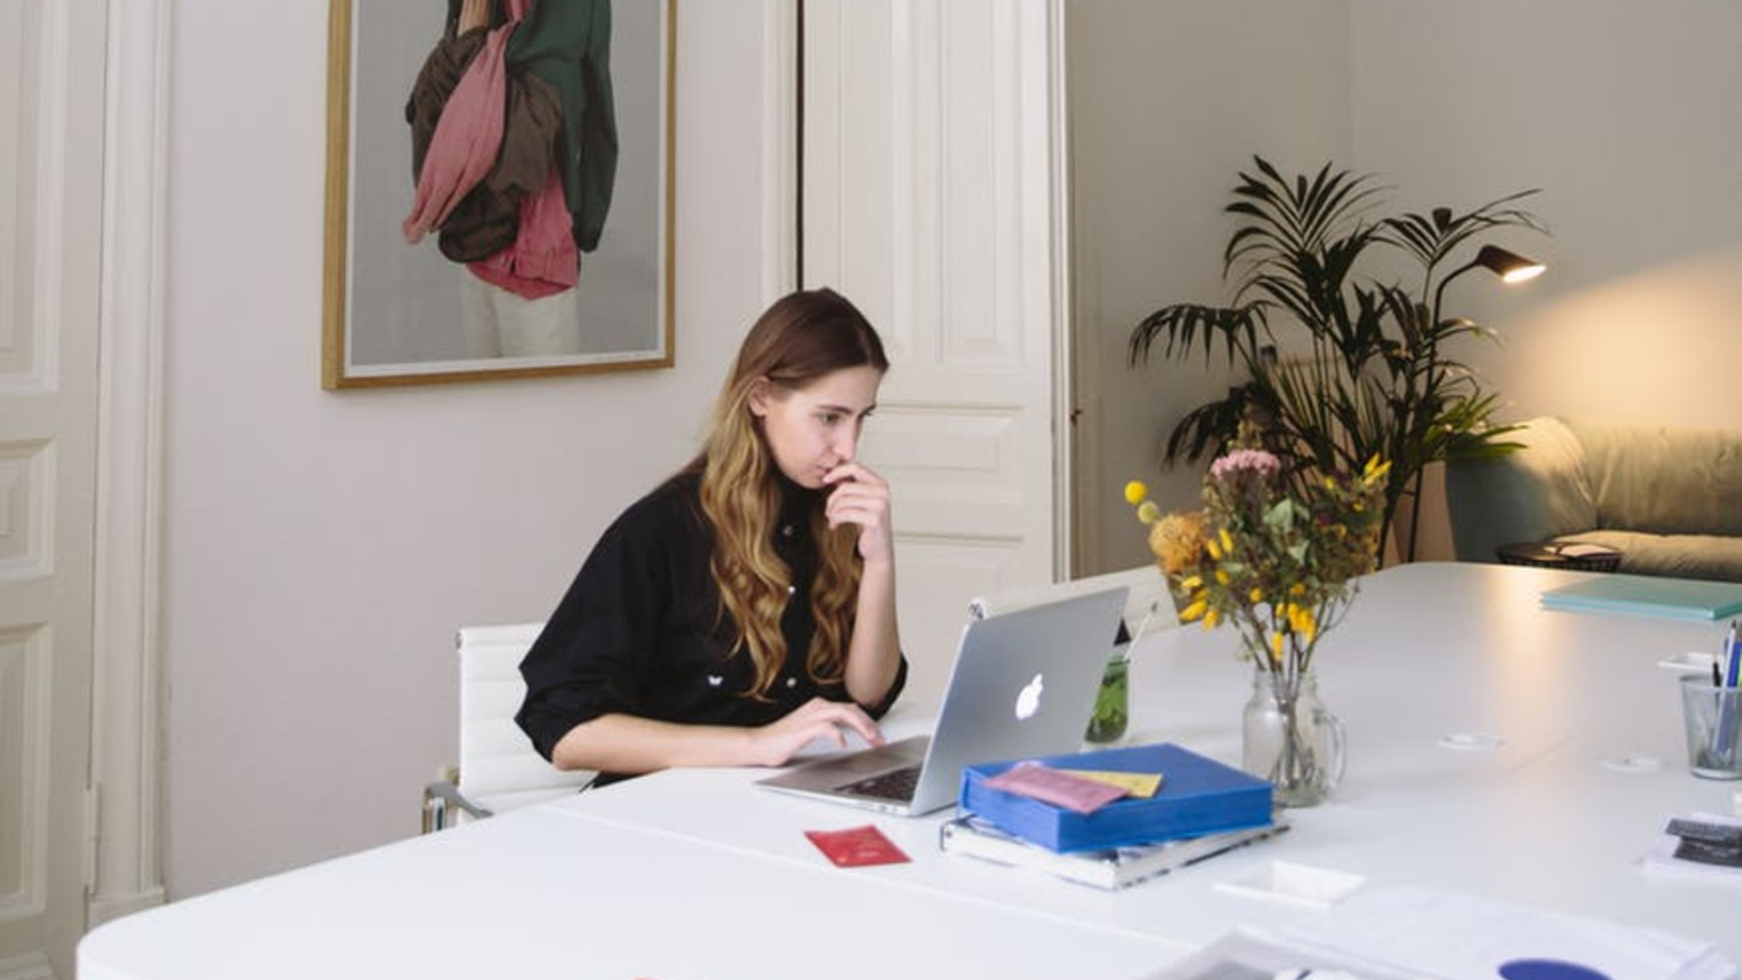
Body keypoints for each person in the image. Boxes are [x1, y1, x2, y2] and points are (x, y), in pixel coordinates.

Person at [515, 288, 907, 785]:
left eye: (861, 419)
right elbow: (565, 731)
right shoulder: (660, 530)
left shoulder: (833, 511)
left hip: (785, 805)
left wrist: (880, 563)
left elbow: (868, 693)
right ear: (761, 396)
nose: (847, 447)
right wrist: (756, 746)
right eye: (829, 418)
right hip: (668, 820)